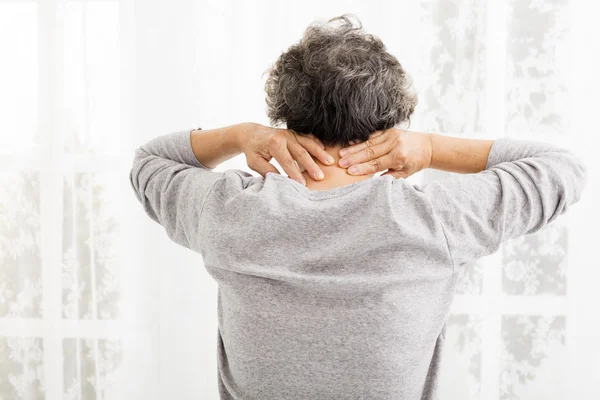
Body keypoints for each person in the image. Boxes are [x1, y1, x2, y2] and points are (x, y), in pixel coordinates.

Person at [129, 14, 587, 400]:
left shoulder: (229, 211)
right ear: (389, 121)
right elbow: (561, 168)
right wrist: (429, 149)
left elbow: (149, 162)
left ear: (287, 120)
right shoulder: (432, 220)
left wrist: (238, 136)